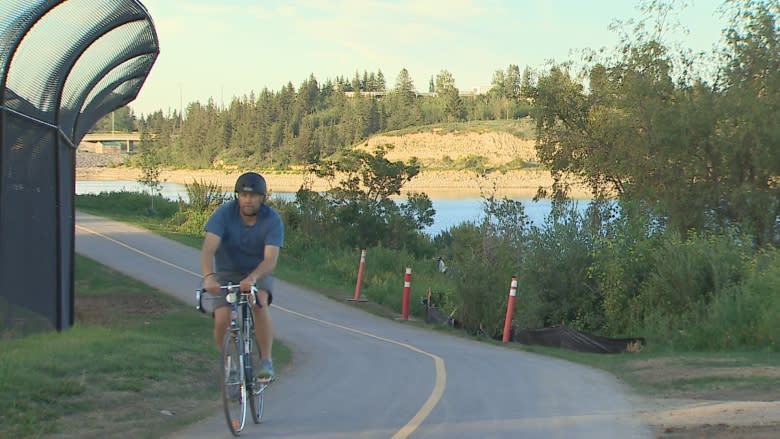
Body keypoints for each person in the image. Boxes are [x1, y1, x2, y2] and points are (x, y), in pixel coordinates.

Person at [200, 171, 284, 380]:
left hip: (258, 271)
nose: (248, 200)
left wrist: (253, 278)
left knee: (259, 303)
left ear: (262, 198)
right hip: (226, 272)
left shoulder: (272, 220)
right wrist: (209, 277)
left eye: (254, 196)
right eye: (244, 195)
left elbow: (270, 259)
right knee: (222, 319)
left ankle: (266, 361)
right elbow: (208, 249)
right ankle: (230, 362)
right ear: (237, 196)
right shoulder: (223, 214)